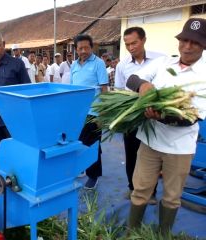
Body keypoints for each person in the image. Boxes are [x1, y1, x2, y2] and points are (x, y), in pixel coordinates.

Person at [126, 18, 206, 235]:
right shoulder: (164, 63)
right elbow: (131, 78)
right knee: (141, 189)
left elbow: (191, 118)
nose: (187, 46)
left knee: (171, 197)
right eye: (184, 40)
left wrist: (159, 116)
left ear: (204, 44)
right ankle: (131, 233)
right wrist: (142, 85)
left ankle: (162, 235)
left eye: (195, 43)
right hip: (150, 141)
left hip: (179, 148)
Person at [114, 27, 164, 204]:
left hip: (154, 116)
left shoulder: (160, 59)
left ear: (143, 40)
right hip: (132, 116)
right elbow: (119, 90)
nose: (130, 47)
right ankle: (132, 188)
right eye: (127, 44)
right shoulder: (122, 65)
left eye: (134, 43)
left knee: (152, 155)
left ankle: (151, 192)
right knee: (132, 153)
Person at [70, 34, 108, 189]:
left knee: (91, 145)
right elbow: (72, 89)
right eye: (80, 48)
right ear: (76, 50)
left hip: (94, 113)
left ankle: (93, 175)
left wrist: (104, 113)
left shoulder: (98, 63)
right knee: (80, 143)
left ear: (92, 47)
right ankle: (84, 168)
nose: (83, 50)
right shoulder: (74, 65)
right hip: (78, 113)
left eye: (86, 47)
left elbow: (104, 89)